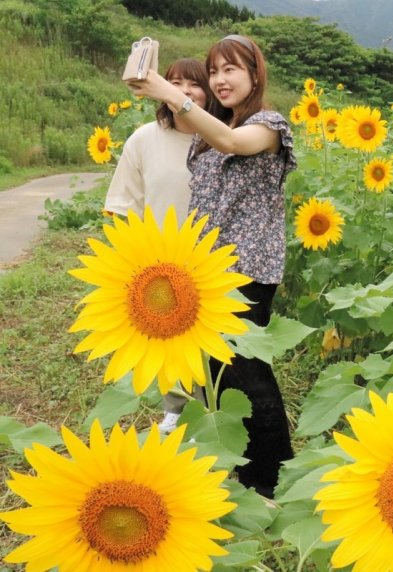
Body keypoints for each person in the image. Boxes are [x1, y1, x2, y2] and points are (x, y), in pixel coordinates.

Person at [126, 34, 297, 499]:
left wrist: (168, 90)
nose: (220, 80)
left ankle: (271, 478)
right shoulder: (211, 129)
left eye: (231, 70)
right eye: (215, 71)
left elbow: (232, 142)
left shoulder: (268, 125)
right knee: (220, 377)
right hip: (207, 273)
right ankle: (241, 468)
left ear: (255, 75)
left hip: (248, 270)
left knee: (247, 374)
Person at [105, 57, 212, 434]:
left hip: (211, 256)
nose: (185, 91)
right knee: (168, 337)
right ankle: (176, 407)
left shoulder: (217, 137)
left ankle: (211, 410)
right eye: (175, 82)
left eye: (195, 83)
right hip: (159, 258)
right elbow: (125, 204)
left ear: (209, 91)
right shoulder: (144, 138)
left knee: (212, 336)